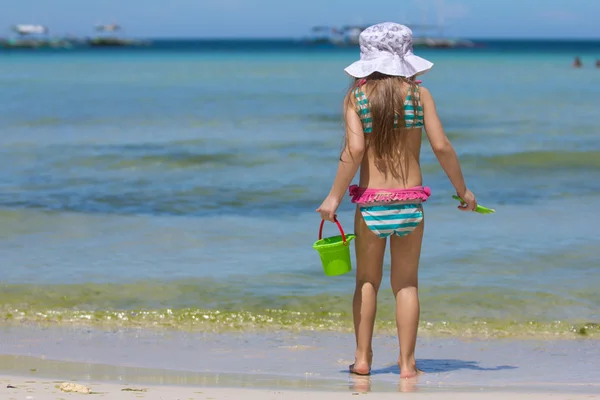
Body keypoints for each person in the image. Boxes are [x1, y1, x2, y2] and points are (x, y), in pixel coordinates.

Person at [316, 22, 477, 379]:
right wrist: (463, 190)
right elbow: (441, 146)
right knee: (406, 284)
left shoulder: (357, 97)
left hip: (371, 204)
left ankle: (362, 359)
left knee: (366, 282)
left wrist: (333, 197)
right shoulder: (420, 95)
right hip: (410, 204)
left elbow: (355, 150)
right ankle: (407, 365)